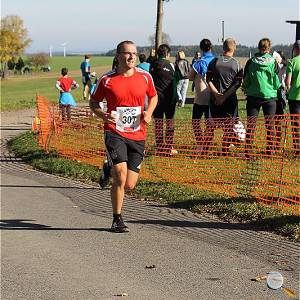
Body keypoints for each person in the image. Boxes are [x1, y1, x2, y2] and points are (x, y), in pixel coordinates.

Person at [90, 40, 158, 233]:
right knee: (120, 176)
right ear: (118, 56)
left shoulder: (145, 77)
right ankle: (117, 219)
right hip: (114, 131)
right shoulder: (107, 79)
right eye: (127, 53)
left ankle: (107, 168)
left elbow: (153, 96)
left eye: (134, 54)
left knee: (129, 184)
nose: (131, 57)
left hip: (138, 134)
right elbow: (94, 102)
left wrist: (149, 113)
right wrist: (104, 115)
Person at [243, 38, 281, 158]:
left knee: (251, 125)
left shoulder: (251, 62)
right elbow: (276, 81)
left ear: (258, 47)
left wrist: (245, 88)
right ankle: (271, 151)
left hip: (253, 97)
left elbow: (246, 79)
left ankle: (248, 151)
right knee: (270, 125)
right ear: (269, 48)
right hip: (270, 97)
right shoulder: (273, 62)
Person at [206, 38, 243, 155]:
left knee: (211, 126)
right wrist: (224, 96)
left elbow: (208, 80)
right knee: (228, 126)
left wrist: (217, 95)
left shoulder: (213, 62)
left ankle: (205, 150)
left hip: (214, 100)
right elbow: (237, 84)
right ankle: (224, 150)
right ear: (235, 48)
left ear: (223, 47)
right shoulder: (237, 64)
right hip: (230, 100)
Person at [150, 43, 177, 155]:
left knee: (158, 123)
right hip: (169, 99)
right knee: (170, 122)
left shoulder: (152, 65)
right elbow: (175, 82)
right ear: (167, 54)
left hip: (156, 100)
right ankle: (169, 147)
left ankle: (160, 147)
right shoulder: (171, 65)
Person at [188, 39, 215, 153]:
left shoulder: (198, 63)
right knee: (210, 123)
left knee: (196, 121)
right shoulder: (216, 61)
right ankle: (207, 146)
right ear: (211, 48)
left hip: (200, 98)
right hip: (213, 96)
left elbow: (190, 77)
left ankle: (200, 144)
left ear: (201, 49)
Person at [285, 40, 300, 157]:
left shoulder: (292, 62)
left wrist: (287, 89)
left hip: (294, 97)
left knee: (296, 124)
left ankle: (297, 149)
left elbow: (288, 82)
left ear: (295, 49)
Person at [273, 50, 287, 150]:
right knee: (274, 120)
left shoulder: (285, 66)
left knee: (278, 120)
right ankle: (274, 143)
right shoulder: (272, 65)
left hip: (280, 93)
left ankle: (277, 143)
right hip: (274, 93)